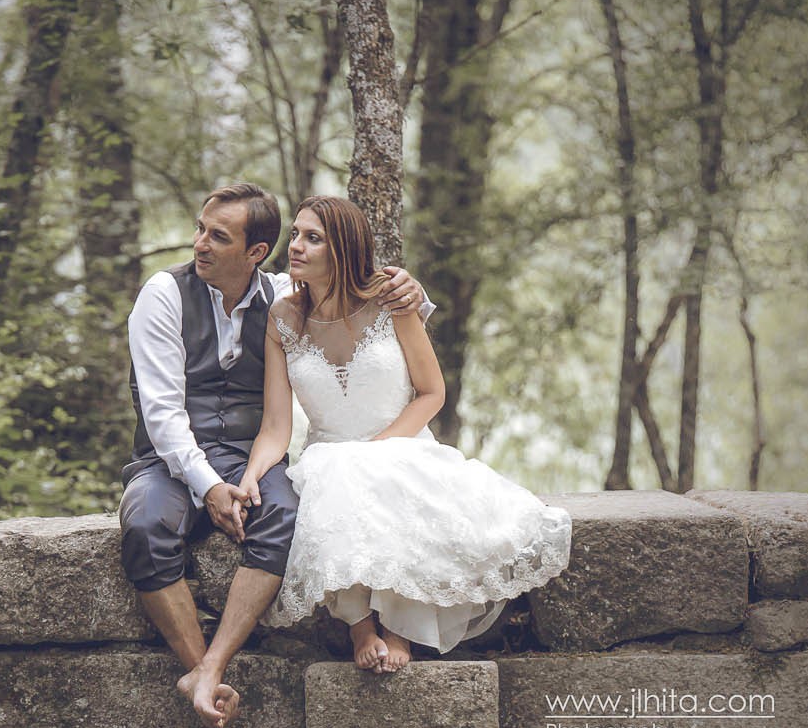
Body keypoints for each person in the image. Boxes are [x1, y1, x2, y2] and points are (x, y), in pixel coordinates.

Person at [118, 183, 428, 726]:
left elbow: (358, 297)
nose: (199, 244)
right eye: (200, 229)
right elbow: (162, 415)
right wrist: (209, 486)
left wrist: (410, 287)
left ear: (255, 253)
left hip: (248, 454)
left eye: (218, 236)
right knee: (144, 525)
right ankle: (203, 671)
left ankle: (210, 667)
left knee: (286, 516)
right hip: (170, 460)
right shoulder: (163, 295)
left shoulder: (285, 291)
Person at [240, 195, 571, 670]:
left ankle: (400, 629)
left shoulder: (391, 300)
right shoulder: (282, 318)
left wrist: (383, 446)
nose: (295, 245)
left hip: (401, 441)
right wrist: (253, 474)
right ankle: (360, 628)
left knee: (389, 479)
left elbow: (431, 393)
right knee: (338, 478)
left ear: (343, 250)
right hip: (329, 455)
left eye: (313, 238)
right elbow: (276, 425)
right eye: (295, 234)